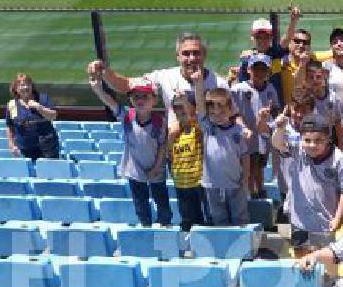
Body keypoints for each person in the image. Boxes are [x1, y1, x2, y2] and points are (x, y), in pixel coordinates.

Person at [87, 33, 228, 129]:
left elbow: (232, 117)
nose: (191, 58)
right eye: (186, 53)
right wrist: (104, 71)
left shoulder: (219, 83)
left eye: (196, 53)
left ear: (204, 55)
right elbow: (127, 85)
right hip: (180, 155)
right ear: (177, 56)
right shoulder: (165, 76)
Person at [88, 73, 171, 227]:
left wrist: (157, 167)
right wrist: (98, 89)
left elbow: (162, 146)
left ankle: (164, 227)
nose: (140, 100)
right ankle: (145, 227)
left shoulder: (160, 122)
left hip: (156, 170)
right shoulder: (127, 116)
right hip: (134, 170)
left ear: (154, 100)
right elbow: (111, 102)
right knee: (140, 204)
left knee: (162, 202)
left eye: (145, 97)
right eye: (136, 97)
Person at [272, 113, 343, 256]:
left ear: (328, 138)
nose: (312, 145)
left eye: (319, 140)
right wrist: (280, 128)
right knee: (300, 258)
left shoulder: (339, 159)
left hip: (325, 222)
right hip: (299, 220)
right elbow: (277, 143)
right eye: (307, 140)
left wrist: (337, 218)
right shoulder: (298, 150)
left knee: (324, 260)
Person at [192, 68, 250, 226]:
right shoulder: (208, 127)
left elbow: (245, 157)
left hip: (235, 182)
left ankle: (241, 246)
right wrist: (198, 84)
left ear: (231, 110)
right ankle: (224, 245)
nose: (217, 114)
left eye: (222, 110)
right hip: (212, 184)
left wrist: (245, 179)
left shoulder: (238, 131)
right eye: (213, 112)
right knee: (218, 217)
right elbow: (200, 106)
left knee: (240, 216)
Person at [231, 53, 280, 198]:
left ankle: (261, 190)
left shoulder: (270, 89)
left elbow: (275, 108)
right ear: (248, 70)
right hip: (246, 136)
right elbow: (233, 112)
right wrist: (243, 127)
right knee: (249, 168)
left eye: (263, 69)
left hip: (263, 136)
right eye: (255, 69)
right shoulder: (238, 89)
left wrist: (270, 118)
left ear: (268, 72)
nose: (259, 73)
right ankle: (251, 194)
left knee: (260, 165)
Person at [237, 7, 302, 105]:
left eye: (266, 37)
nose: (262, 41)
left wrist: (293, 21)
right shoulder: (246, 60)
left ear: (271, 38)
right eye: (258, 37)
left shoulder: (275, 52)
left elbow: (287, 38)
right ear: (252, 38)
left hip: (276, 106)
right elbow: (242, 87)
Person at [167, 91, 209, 231]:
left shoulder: (197, 130)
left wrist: (185, 101)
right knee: (187, 217)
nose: (180, 113)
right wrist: (171, 138)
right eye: (176, 109)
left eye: (183, 109)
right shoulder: (174, 133)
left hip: (198, 182)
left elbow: (193, 116)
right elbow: (170, 156)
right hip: (181, 183)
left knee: (204, 217)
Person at [5, 73, 60, 160]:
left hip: (47, 147)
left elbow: (53, 116)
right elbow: (10, 126)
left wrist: (39, 107)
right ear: (16, 88)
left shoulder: (43, 98)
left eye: (28, 84)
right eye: (22, 85)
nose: (25, 87)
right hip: (25, 148)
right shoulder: (12, 105)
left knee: (49, 171)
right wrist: (12, 145)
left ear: (32, 86)